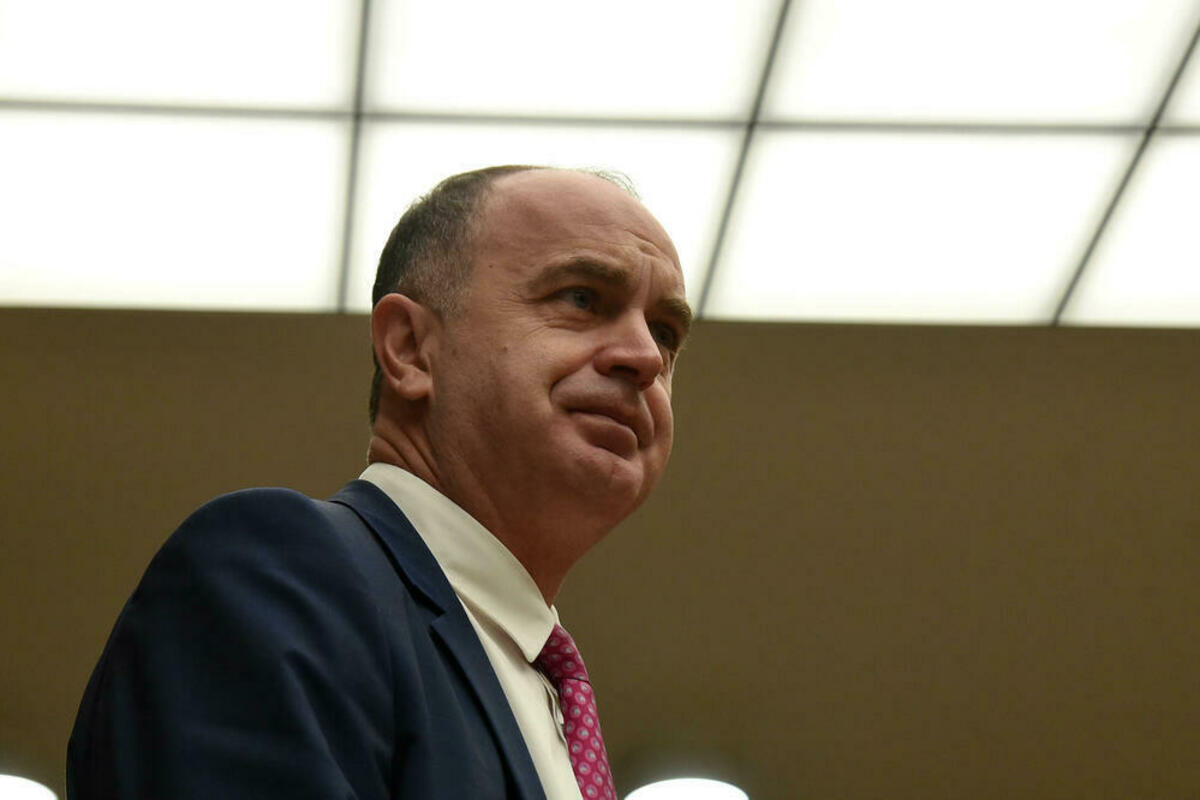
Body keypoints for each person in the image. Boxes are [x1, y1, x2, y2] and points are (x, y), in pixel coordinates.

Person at [67, 165, 692, 799]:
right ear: (409, 348)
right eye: (582, 299)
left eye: (665, 333)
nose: (645, 357)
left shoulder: (547, 694)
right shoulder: (279, 575)